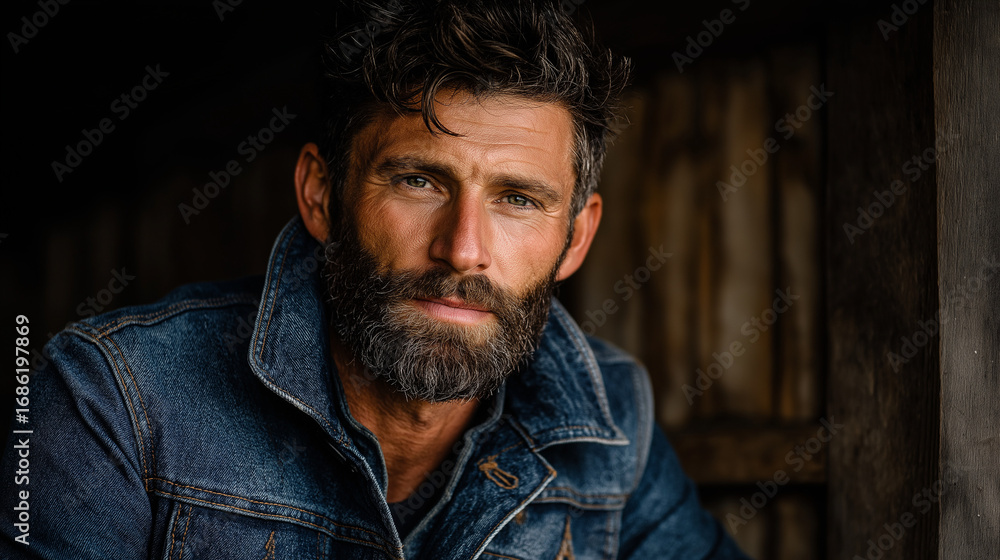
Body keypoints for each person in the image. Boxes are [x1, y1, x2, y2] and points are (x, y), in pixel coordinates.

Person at [1, 1, 748, 558]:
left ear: (576, 236)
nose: (462, 251)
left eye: (518, 199)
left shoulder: (613, 422)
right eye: (420, 180)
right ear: (322, 196)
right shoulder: (116, 398)